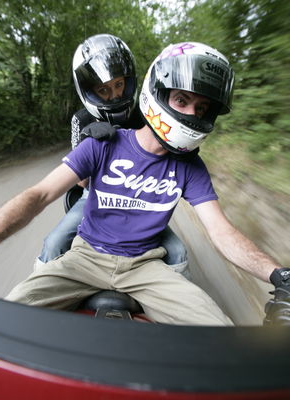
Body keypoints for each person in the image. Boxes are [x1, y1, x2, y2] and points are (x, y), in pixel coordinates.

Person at [0, 42, 290, 328]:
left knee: (224, 338)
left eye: (202, 106)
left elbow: (221, 232)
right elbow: (39, 194)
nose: (192, 114)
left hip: (145, 265)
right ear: (159, 94)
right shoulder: (100, 142)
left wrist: (281, 274)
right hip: (83, 256)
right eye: (181, 99)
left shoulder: (191, 166)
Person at [37, 33, 190, 278]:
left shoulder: (145, 112)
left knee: (178, 251)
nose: (115, 95)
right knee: (54, 243)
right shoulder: (82, 119)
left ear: (129, 82)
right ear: (91, 92)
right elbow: (80, 182)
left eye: (119, 85)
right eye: (104, 90)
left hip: (144, 198)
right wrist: (91, 143)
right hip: (95, 195)